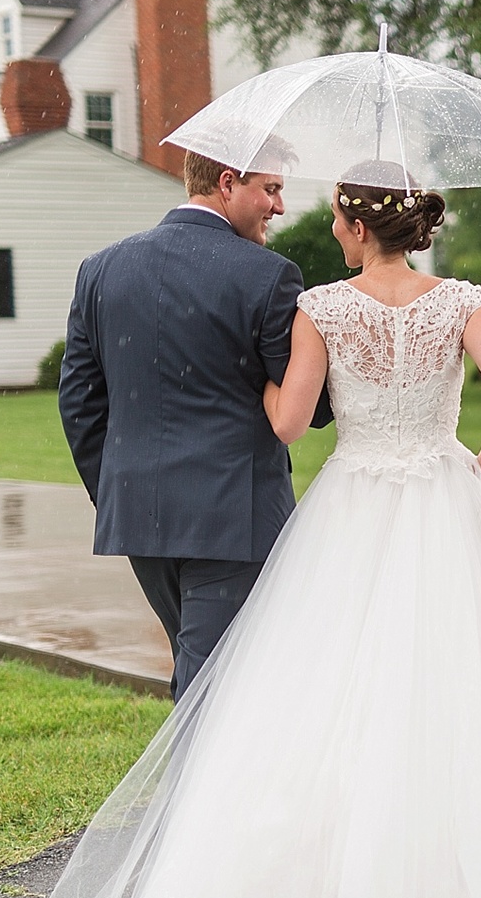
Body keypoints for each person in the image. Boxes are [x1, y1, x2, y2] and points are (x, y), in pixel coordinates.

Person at [44, 160, 481, 898]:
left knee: (293, 694)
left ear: (359, 227)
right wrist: (477, 462)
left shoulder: (311, 304)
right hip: (434, 507)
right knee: (433, 700)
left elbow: (282, 419)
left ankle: (243, 884)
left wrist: (234, 397)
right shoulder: (456, 298)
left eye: (332, 213)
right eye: (274, 189)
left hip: (317, 508)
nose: (307, 217)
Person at [58, 145, 331, 697]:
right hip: (234, 517)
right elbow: (315, 406)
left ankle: (219, 783)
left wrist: (120, 486)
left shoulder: (102, 268)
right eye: (271, 189)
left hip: (139, 514)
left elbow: (79, 404)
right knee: (214, 685)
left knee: (203, 667)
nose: (279, 206)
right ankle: (191, 787)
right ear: (227, 183)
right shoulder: (269, 277)